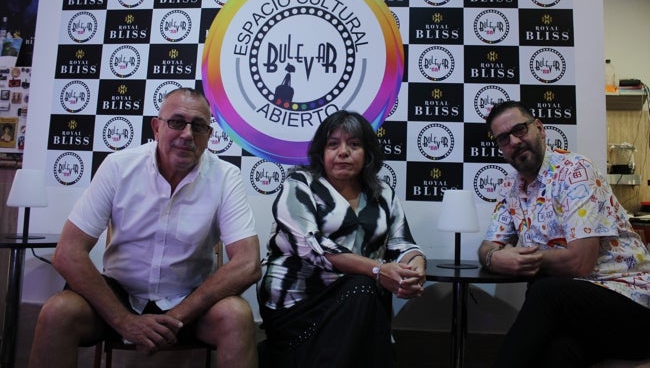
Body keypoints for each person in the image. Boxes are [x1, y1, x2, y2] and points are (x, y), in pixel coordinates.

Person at [29, 88, 261, 368]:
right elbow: (68, 252)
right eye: (176, 122)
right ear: (156, 127)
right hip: (118, 295)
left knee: (236, 315)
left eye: (198, 126)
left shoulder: (226, 177)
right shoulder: (118, 167)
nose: (187, 134)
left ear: (209, 136)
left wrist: (178, 315)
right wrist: (124, 321)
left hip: (189, 300)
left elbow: (248, 264)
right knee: (57, 311)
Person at [477, 100, 650, 367]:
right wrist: (494, 258)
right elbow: (489, 246)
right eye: (503, 139)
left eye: (520, 130)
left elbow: (580, 263)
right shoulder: (510, 186)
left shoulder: (576, 171)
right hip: (582, 316)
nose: (514, 141)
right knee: (558, 352)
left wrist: (522, 258)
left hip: (632, 303)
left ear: (540, 128)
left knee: (545, 291)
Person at [258, 110, 426, 368]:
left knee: (363, 290)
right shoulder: (300, 184)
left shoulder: (383, 194)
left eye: (354, 144)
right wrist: (378, 269)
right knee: (363, 286)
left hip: (359, 300)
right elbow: (312, 247)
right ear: (321, 152)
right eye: (333, 144)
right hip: (297, 303)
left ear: (367, 153)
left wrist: (414, 269)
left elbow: (404, 244)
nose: (343, 152)